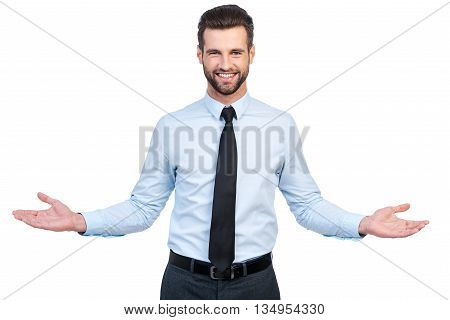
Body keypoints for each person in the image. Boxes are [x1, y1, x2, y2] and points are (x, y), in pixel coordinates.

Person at [12, 4, 429, 300]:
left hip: (256, 285)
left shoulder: (279, 125)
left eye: (234, 51)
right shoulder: (172, 126)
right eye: (214, 51)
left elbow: (307, 206)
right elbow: (142, 209)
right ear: (200, 55)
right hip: (183, 284)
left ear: (251, 54)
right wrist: (79, 221)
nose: (225, 63)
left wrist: (361, 223)